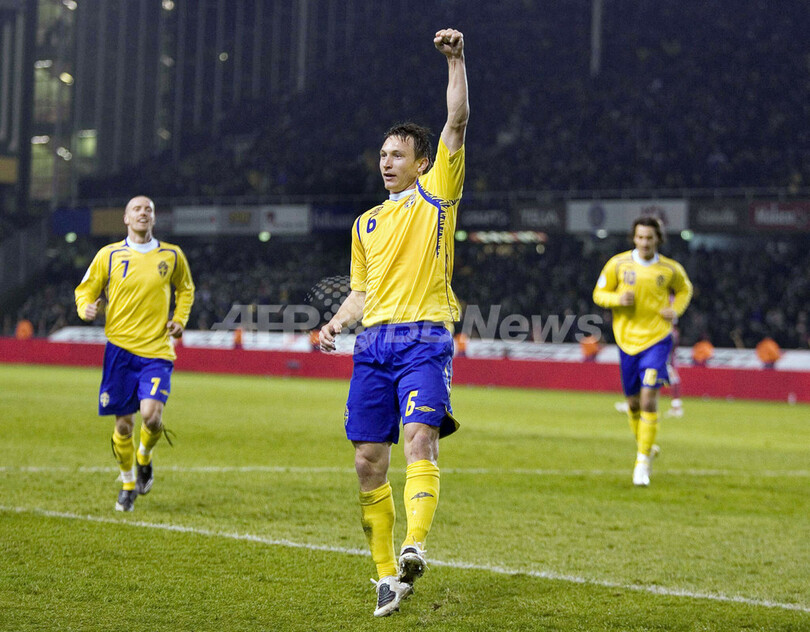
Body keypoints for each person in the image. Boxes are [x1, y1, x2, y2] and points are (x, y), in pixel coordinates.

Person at [319, 28, 468, 617]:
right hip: (372, 345)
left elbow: (455, 122)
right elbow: (361, 291)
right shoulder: (364, 224)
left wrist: (456, 61)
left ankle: (414, 544)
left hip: (425, 337)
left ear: (421, 164)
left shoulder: (437, 195)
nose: (386, 162)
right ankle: (386, 577)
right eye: (382, 155)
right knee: (366, 461)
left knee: (420, 439)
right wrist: (335, 322)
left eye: (397, 155)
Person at [75, 196, 195, 512]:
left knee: (152, 417)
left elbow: (185, 289)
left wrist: (180, 319)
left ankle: (145, 456)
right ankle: (128, 483)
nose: (143, 213)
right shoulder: (108, 255)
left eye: (149, 209)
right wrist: (84, 308)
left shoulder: (172, 255)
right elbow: (85, 289)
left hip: (157, 350)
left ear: (154, 219)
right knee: (124, 426)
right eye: (137, 209)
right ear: (126, 218)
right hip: (120, 350)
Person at [594, 217, 692, 486]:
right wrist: (616, 299)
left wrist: (676, 310)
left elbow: (685, 289)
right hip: (627, 342)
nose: (645, 242)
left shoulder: (670, 269)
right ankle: (646, 446)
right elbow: (599, 293)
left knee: (649, 399)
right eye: (640, 237)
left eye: (650, 238)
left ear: (657, 239)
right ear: (634, 238)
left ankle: (641, 464)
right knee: (633, 404)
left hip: (658, 340)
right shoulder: (618, 264)